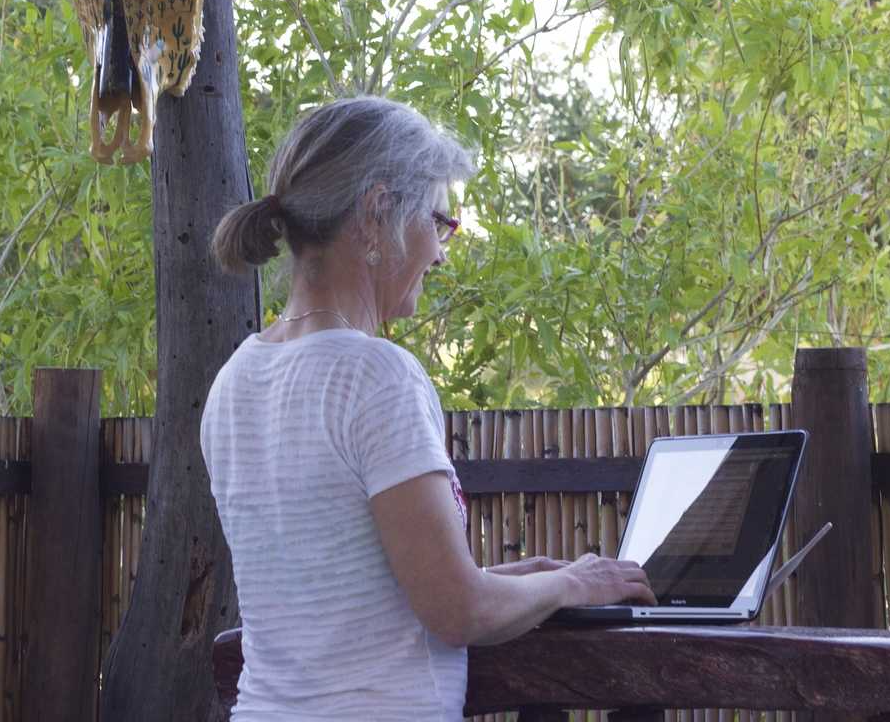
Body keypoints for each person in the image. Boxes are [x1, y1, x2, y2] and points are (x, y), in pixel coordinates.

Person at [202, 95, 654, 720]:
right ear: (377, 214)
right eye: (438, 221)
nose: (441, 252)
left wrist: (530, 579)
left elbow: (354, 597)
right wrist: (575, 584)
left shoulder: (235, 379)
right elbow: (457, 611)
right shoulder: (375, 375)